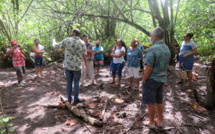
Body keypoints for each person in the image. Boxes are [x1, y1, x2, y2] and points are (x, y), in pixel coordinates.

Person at [142, 27, 171, 129]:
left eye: (151, 36)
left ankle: (151, 122)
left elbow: (148, 68)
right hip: (162, 79)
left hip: (152, 79)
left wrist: (144, 80)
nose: (150, 38)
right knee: (159, 100)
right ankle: (159, 120)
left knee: (150, 102)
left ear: (154, 36)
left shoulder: (152, 49)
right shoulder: (166, 48)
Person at [52, 28, 87, 103]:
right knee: (77, 82)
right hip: (77, 66)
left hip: (68, 65)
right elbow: (84, 55)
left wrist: (54, 41)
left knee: (69, 82)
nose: (71, 33)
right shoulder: (82, 43)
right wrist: (85, 65)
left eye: (72, 32)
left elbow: (56, 46)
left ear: (73, 33)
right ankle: (76, 98)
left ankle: (69, 98)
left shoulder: (67, 40)